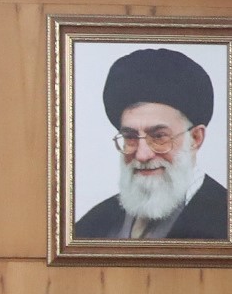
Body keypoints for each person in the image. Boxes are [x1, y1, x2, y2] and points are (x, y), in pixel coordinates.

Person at [74, 47, 228, 242]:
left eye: (159, 136)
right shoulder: (94, 224)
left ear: (196, 138)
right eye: (130, 137)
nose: (142, 155)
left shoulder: (224, 219)